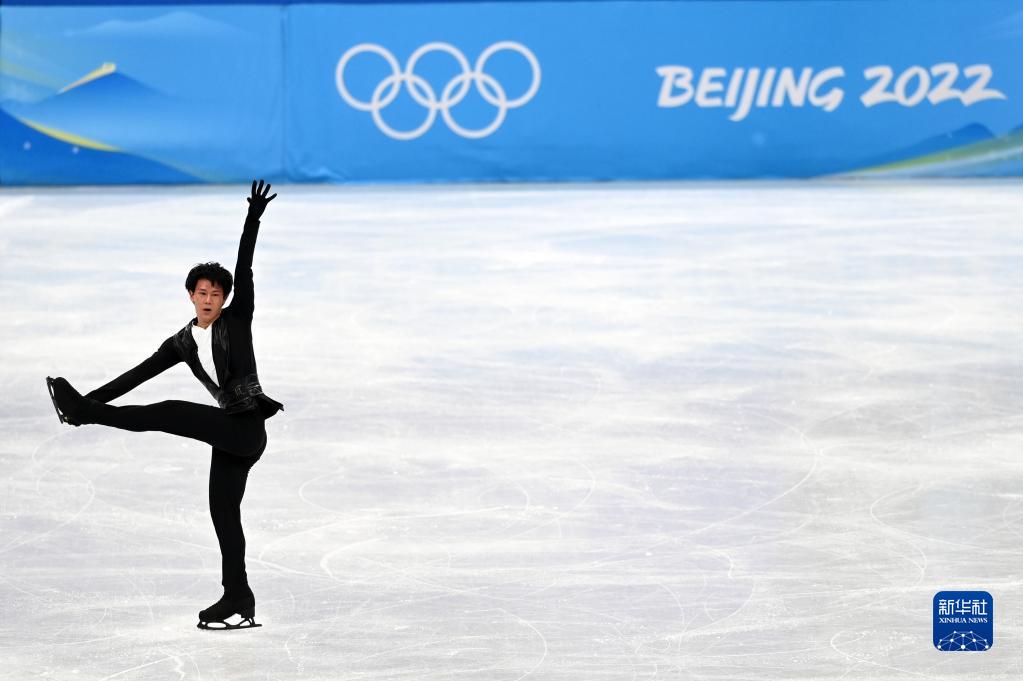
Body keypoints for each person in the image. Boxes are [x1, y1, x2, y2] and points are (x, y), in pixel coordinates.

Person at [46, 179, 283, 631]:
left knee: (170, 411)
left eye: (216, 294)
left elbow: (245, 267)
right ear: (191, 294)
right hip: (229, 438)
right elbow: (137, 375)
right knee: (223, 515)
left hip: (246, 427)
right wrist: (92, 398)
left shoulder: (238, 319)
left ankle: (84, 414)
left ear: (225, 298)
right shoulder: (181, 342)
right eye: (202, 293)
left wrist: (252, 219)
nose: (209, 300)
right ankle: (238, 595)